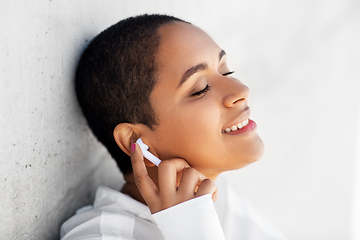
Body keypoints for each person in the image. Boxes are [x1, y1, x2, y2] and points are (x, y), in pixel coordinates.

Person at [60, 14, 286, 240]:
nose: (241, 91)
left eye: (226, 72)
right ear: (135, 141)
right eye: (200, 88)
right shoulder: (97, 236)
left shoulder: (215, 196)